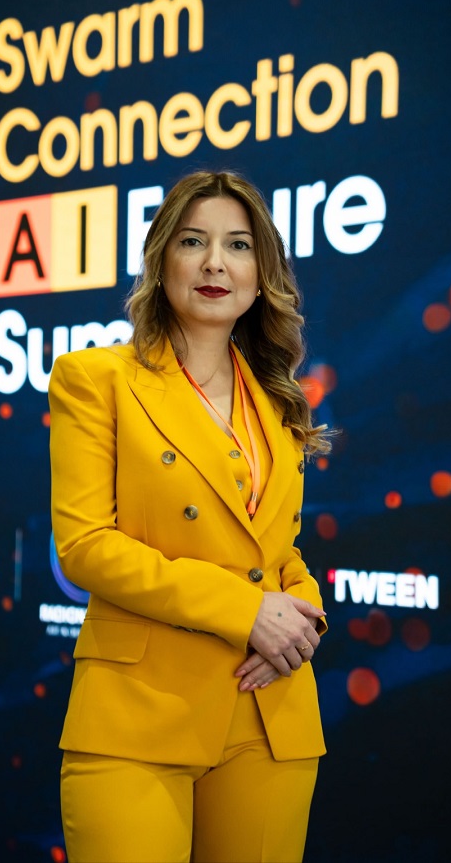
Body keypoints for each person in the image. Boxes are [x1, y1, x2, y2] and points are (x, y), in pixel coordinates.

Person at [49, 170, 331, 863]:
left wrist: (304, 618)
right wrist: (245, 611)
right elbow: (86, 545)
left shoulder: (280, 403)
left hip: (268, 710)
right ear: (161, 260)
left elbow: (277, 552)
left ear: (261, 276)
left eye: (238, 245)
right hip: (137, 715)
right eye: (192, 241)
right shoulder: (95, 378)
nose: (214, 263)